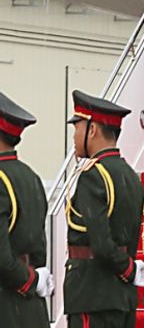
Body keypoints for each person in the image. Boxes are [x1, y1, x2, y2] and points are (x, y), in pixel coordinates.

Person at [64, 90, 144, 328]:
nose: (74, 136)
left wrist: (128, 269)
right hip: (121, 297)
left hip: (93, 295)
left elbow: (100, 242)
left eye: (77, 128)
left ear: (92, 130)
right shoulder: (129, 175)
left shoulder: (93, 176)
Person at [0, 92, 52, 328]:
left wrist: (28, 281)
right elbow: (39, 249)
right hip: (30, 307)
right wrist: (34, 280)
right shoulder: (32, 177)